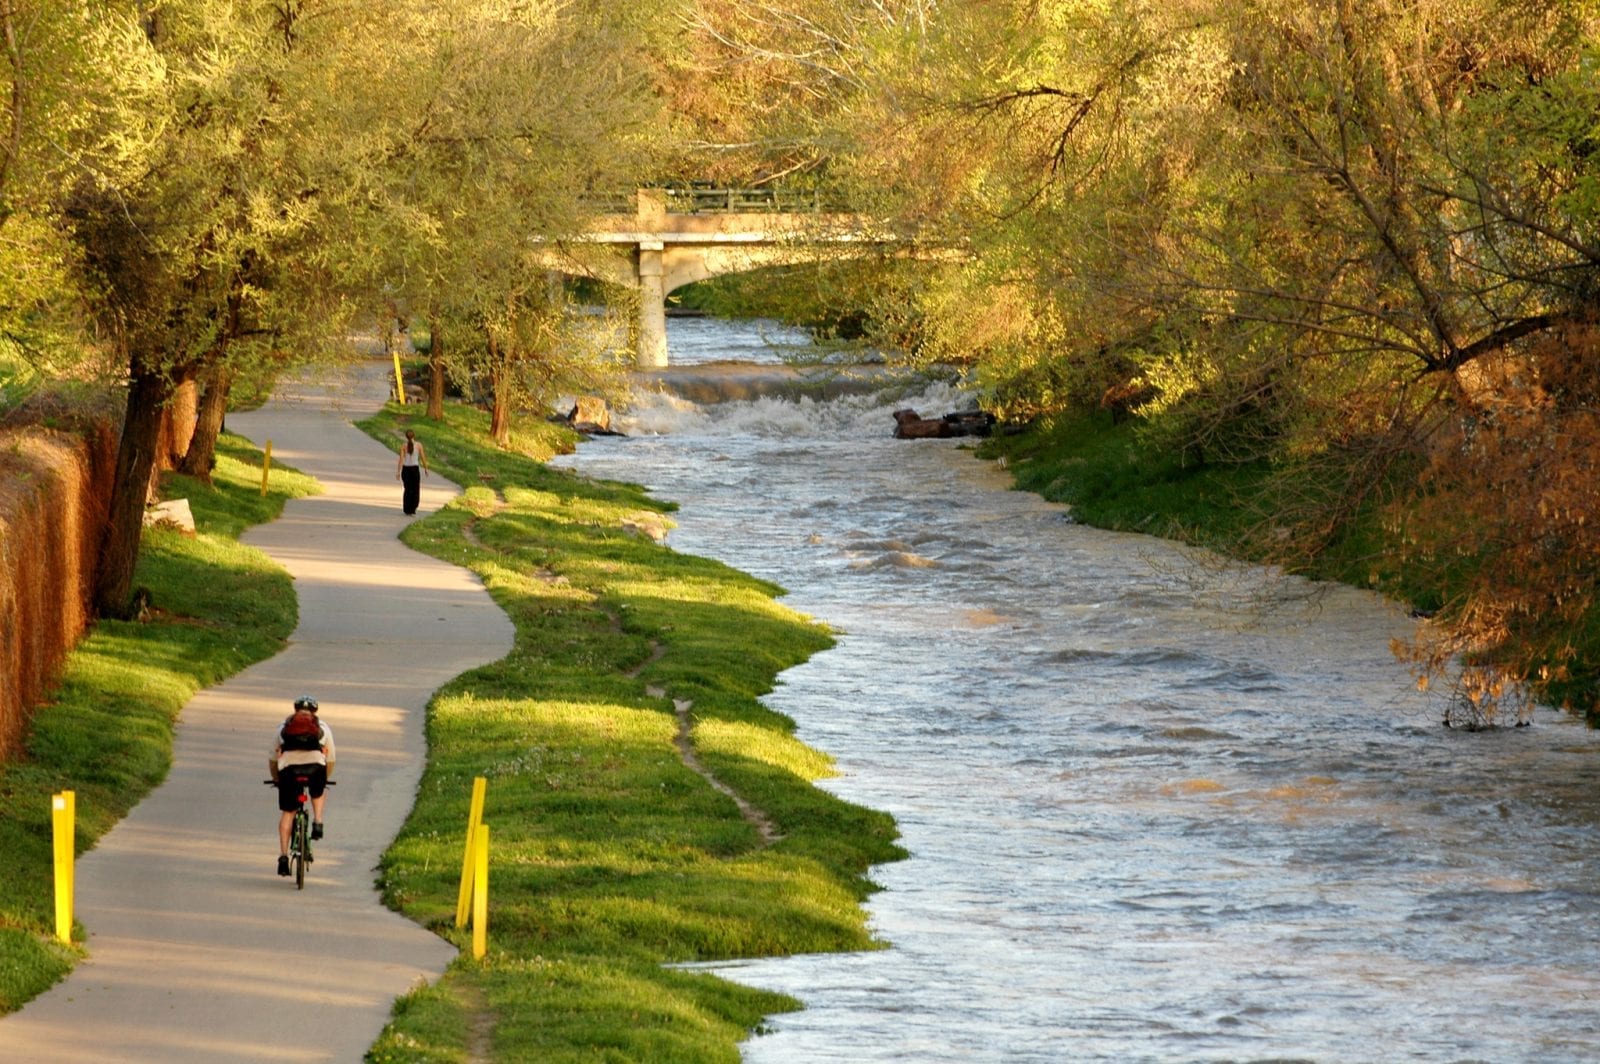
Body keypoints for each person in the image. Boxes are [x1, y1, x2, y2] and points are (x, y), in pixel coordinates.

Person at [268, 695, 335, 877]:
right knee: (319, 791)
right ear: (315, 711)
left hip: (289, 769)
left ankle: (283, 857)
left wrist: (277, 779)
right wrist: (324, 777)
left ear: (295, 710)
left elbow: (273, 758)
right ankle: (318, 822)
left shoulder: (283, 727)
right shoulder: (323, 727)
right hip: (315, 767)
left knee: (288, 812)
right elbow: (331, 758)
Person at [395, 429, 429, 515]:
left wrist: (398, 472)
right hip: (414, 469)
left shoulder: (403, 446)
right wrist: (426, 468)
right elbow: (423, 457)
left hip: (406, 469)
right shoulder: (418, 445)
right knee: (415, 489)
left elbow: (401, 460)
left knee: (407, 489)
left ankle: (407, 509)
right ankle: (413, 507)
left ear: (406, 437)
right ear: (414, 436)